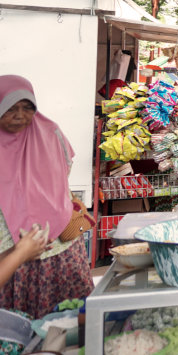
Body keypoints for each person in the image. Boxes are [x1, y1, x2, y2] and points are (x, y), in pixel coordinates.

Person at [0, 76, 94, 318]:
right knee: (19, 327)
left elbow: (64, 170)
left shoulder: (50, 132)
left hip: (59, 247)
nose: (20, 115)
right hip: (10, 255)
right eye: (10, 109)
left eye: (27, 107)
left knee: (69, 322)